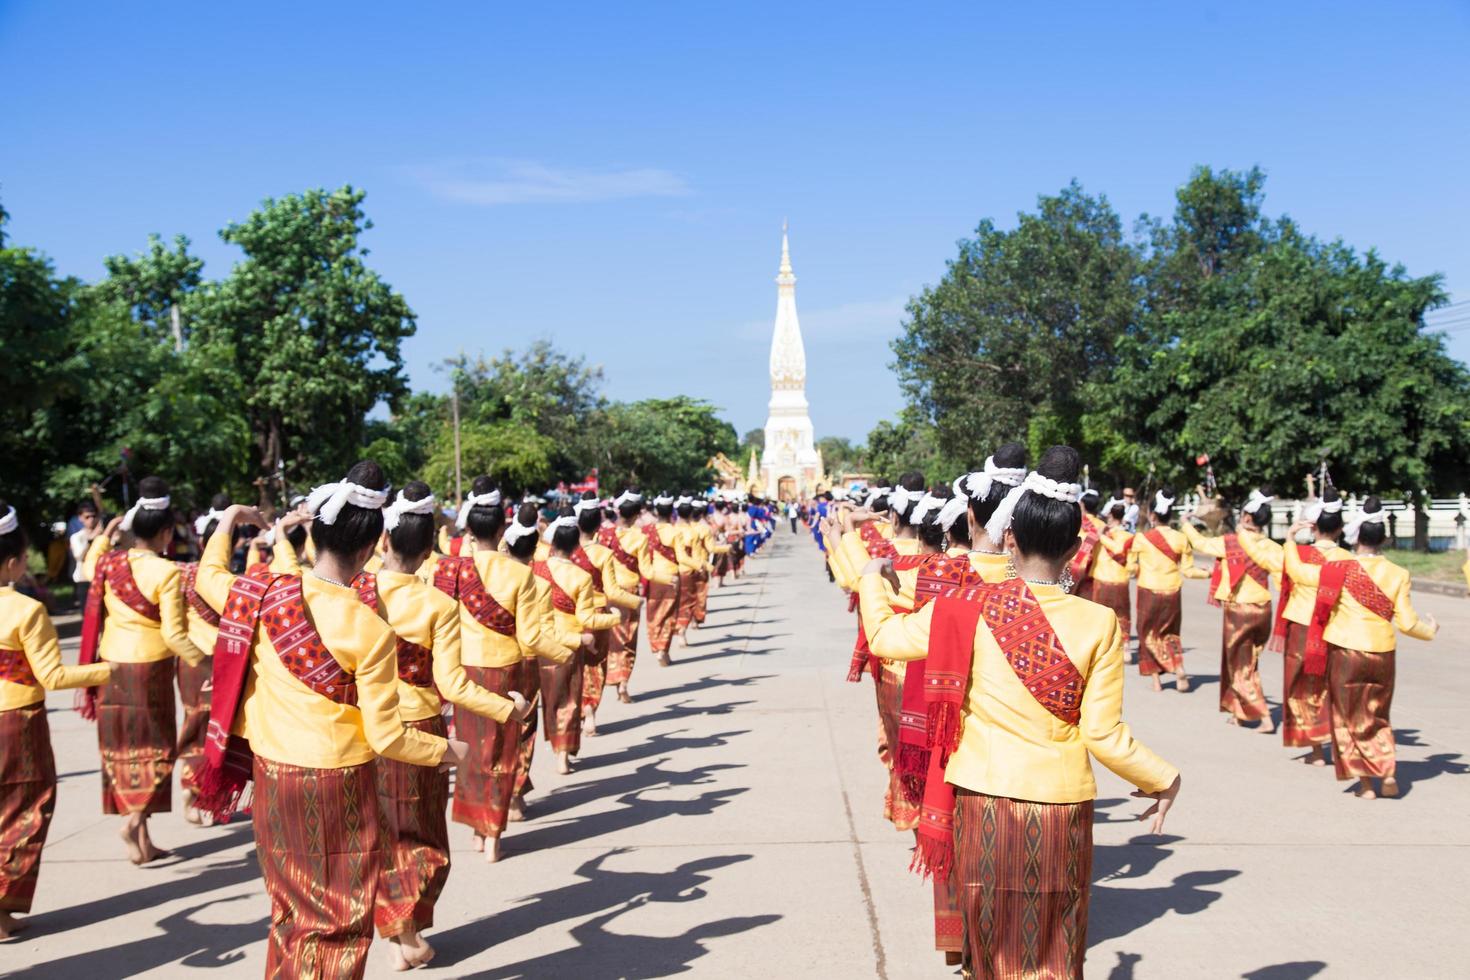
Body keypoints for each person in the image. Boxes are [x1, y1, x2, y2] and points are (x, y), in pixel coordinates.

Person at [863, 447, 1180, 979]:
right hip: (1061, 806)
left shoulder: (963, 607)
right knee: (1057, 947)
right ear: (1076, 548)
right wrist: (1161, 778)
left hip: (983, 800)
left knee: (988, 949)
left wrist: (873, 579)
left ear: (1009, 537)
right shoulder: (1099, 622)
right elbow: (1102, 735)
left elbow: (883, 637)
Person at [192, 463, 464, 978]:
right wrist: (447, 751)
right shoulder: (368, 629)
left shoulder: (265, 592)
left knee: (292, 913)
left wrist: (228, 521)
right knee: (338, 919)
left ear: (315, 533)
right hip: (336, 785)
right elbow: (387, 735)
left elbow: (207, 578)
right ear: (370, 548)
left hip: (273, 777)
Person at [370, 482, 530, 967]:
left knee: (383, 832)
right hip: (416, 725)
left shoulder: (354, 592)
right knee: (423, 838)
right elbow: (454, 686)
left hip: (361, 727)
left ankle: (402, 938)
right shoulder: (435, 604)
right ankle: (407, 931)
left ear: (382, 542)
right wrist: (509, 709)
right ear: (427, 553)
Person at [435, 484, 577, 859]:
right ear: (502, 530)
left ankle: (477, 830)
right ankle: (494, 834)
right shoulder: (520, 576)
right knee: (502, 753)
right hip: (507, 672)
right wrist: (564, 651)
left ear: (468, 533)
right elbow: (532, 636)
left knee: (471, 751)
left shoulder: (452, 570)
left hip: (465, 672)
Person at [80, 477, 207, 864]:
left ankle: (142, 837)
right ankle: (136, 820)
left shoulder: (108, 562)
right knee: (157, 750)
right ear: (167, 533)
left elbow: (87, 569)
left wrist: (104, 534)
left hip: (110, 666)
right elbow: (173, 634)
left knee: (121, 750)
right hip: (148, 669)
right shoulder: (165, 572)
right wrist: (204, 660)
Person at [0, 502, 112, 939]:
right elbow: (54, 675)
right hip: (16, 722)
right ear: (12, 561)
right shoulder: (25, 611)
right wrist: (109, 669)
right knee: (25, 810)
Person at [1283, 497, 1438, 798]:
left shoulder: (1337, 568)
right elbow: (1407, 624)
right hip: (1382, 652)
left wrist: (1290, 540)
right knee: (1377, 714)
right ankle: (1387, 769)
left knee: (1346, 715)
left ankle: (1366, 784)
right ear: (1385, 538)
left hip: (1345, 651)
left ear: (1355, 537)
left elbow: (1299, 573)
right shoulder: (1398, 574)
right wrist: (1429, 631)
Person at [1240, 486, 1353, 763]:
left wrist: (1290, 536)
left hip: (1300, 629)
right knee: (1334, 685)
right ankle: (1340, 743)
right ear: (1339, 530)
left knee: (1302, 686)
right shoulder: (1348, 561)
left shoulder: (1294, 555)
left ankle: (1315, 749)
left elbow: (1257, 553)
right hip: (1334, 628)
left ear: (1312, 527)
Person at [1183, 488, 1276, 732]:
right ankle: (1238, 712)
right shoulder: (1272, 546)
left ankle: (1264, 715)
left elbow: (1200, 543)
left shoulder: (1231, 543)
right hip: (1264, 608)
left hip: (1240, 610)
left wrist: (1186, 524)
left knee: (1239, 664)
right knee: (1249, 661)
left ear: (1247, 518)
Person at [536, 509, 620, 774]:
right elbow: (588, 618)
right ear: (574, 546)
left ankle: (556, 747)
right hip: (572, 643)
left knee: (550, 700)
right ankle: (563, 754)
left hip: (542, 644)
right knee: (570, 700)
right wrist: (614, 619)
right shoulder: (581, 577)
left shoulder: (536, 569)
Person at [573, 494, 642, 737]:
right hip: (600, 611)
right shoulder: (603, 552)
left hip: (570, 615)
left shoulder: (563, 553)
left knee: (574, 669)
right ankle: (591, 710)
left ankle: (574, 717)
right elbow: (612, 591)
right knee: (596, 666)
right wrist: (636, 601)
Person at [1132, 487, 1208, 692]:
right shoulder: (1181, 539)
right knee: (1170, 633)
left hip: (1148, 590)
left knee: (1147, 634)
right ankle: (1178, 666)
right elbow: (1189, 571)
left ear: (1153, 515)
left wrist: (1137, 569)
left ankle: (1156, 681)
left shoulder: (1141, 539)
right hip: (1172, 591)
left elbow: (1130, 567)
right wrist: (1208, 573)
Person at [603, 490, 650, 703]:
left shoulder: (603, 535)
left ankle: (611, 675)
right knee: (628, 640)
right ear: (636, 515)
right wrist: (669, 578)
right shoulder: (640, 538)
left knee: (611, 638)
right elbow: (647, 572)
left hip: (608, 591)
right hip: (630, 592)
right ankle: (623, 684)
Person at [642, 494, 683, 667]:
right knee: (669, 616)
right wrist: (701, 564)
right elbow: (682, 558)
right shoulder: (675, 532)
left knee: (653, 615)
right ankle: (662, 650)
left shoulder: (646, 531)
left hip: (653, 577)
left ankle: (656, 644)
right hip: (672, 577)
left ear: (657, 511)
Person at [68, 499, 101, 611]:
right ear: (80, 518)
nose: (91, 520)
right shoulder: (76, 537)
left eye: (93, 516)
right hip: (84, 580)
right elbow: (78, 556)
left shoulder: (103, 537)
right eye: (87, 517)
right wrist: (90, 539)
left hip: (100, 578)